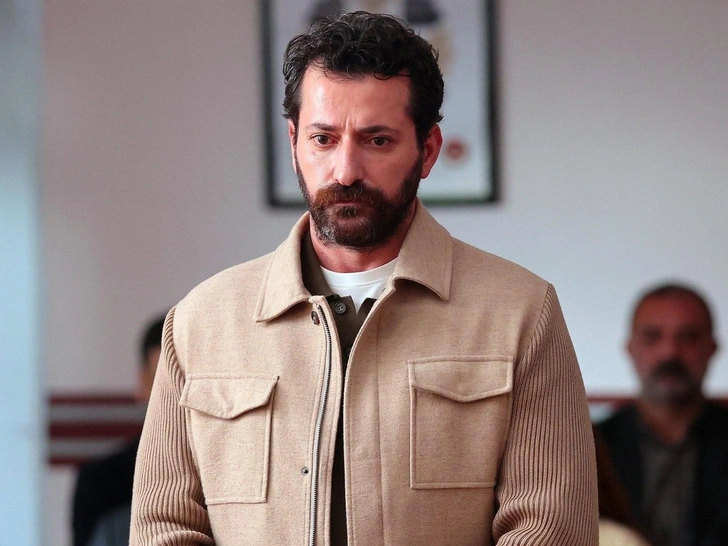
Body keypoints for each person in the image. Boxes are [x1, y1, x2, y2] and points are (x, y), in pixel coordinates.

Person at [130, 11, 597, 545]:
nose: (346, 170)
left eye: (377, 141)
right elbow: (163, 527)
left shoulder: (520, 313)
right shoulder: (201, 323)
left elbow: (550, 529)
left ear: (427, 151)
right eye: (323, 139)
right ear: (294, 143)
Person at [597, 283, 728, 546]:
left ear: (712, 348)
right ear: (631, 348)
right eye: (652, 336)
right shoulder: (592, 446)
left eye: (688, 337)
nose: (670, 352)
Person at [72, 314, 165, 546]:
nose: (176, 397)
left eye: (185, 380)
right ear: (142, 383)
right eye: (162, 382)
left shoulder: (232, 474)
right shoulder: (99, 483)